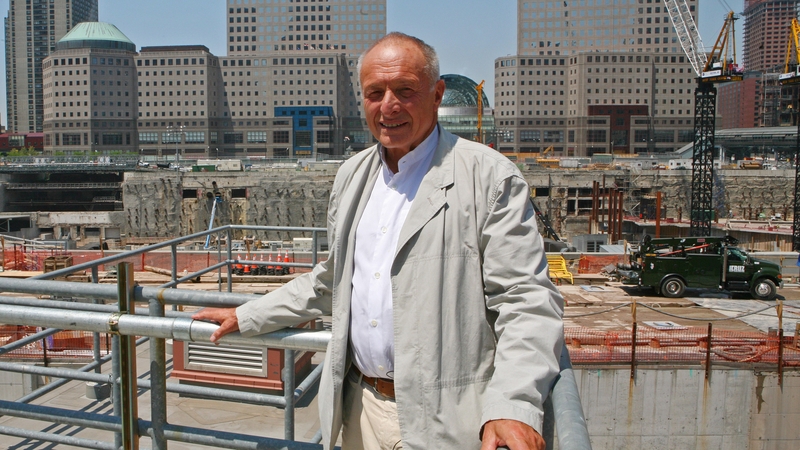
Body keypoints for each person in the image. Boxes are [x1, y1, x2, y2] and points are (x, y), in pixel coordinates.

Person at [193, 32, 564, 450]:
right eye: (375, 93)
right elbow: (331, 280)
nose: (388, 106)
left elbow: (525, 299)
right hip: (360, 411)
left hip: (447, 421)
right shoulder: (353, 176)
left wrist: (513, 404)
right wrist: (248, 315)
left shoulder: (489, 178)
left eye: (405, 90)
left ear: (437, 94)